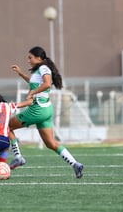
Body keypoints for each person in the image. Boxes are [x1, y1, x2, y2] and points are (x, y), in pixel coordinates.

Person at [8, 46, 84, 178]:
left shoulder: (43, 68)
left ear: (38, 58)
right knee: (51, 143)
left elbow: (47, 84)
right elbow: (35, 84)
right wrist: (21, 74)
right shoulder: (39, 70)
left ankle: (18, 157)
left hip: (38, 109)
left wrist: (33, 92)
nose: (28, 60)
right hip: (46, 110)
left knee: (7, 126)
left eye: (30, 57)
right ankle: (75, 164)